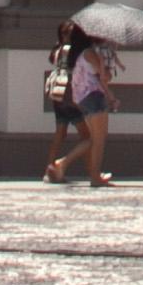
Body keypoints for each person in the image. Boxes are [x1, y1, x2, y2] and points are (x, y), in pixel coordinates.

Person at [61, 30, 119, 187]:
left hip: (83, 98)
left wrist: (110, 96)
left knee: (93, 139)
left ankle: (62, 164)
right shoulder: (90, 54)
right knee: (99, 140)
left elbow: (97, 79)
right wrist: (106, 63)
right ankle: (94, 176)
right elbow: (105, 77)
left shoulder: (81, 55)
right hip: (93, 98)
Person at [43, 21, 92, 181]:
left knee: (60, 133)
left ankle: (49, 169)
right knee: (87, 137)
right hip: (71, 94)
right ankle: (66, 166)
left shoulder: (56, 50)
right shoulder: (73, 51)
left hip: (58, 94)